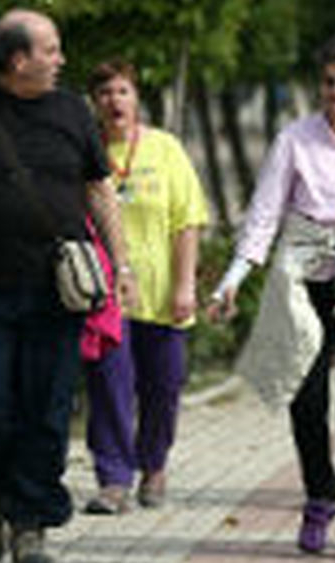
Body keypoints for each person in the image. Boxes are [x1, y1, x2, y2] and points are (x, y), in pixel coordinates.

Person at [0, 9, 135, 563]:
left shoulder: (71, 112)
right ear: (18, 60)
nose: (61, 60)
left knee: (47, 408)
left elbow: (100, 191)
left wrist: (120, 267)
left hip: (57, 293)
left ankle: (28, 522)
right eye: (52, 50)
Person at [208, 36, 335, 556]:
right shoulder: (293, 139)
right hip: (302, 276)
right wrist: (231, 280)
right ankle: (318, 497)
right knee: (305, 401)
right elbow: (263, 214)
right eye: (328, 83)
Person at [83, 59, 210, 514]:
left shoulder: (165, 149)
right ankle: (113, 478)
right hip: (106, 297)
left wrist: (184, 285)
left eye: (122, 91)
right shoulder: (85, 150)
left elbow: (188, 221)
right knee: (110, 387)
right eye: (104, 94)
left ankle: (154, 465)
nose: (114, 101)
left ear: (136, 98)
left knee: (164, 386)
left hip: (161, 293)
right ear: (93, 104)